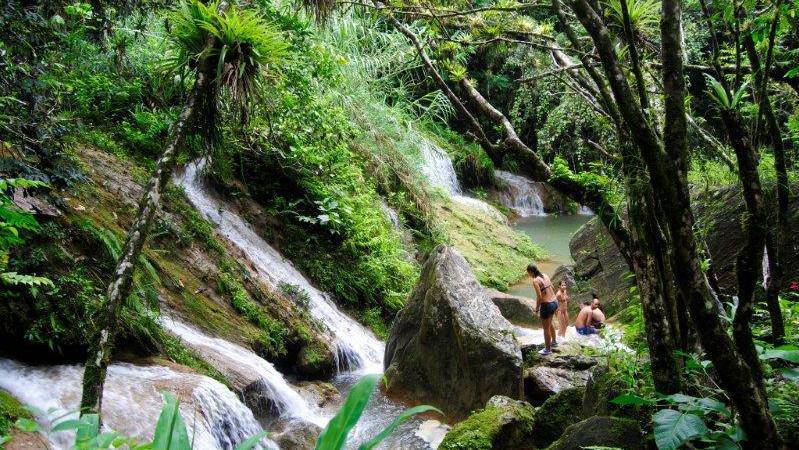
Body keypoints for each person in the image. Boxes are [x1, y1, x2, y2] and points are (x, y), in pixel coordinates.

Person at [528, 263, 557, 355]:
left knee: (546, 329)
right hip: (555, 302)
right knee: (550, 323)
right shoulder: (545, 275)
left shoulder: (535, 280)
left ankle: (547, 349)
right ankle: (554, 342)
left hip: (547, 305)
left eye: (528, 273)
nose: (529, 275)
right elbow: (552, 287)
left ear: (531, 272)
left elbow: (539, 297)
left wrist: (537, 309)